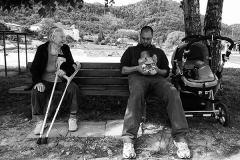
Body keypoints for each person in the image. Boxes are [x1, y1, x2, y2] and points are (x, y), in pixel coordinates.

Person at [120, 26, 191, 159]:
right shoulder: (131, 50)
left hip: (156, 79)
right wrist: (137, 68)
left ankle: (180, 137)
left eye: (148, 39)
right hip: (137, 78)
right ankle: (128, 139)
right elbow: (123, 69)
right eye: (143, 38)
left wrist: (157, 70)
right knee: (136, 94)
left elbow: (166, 72)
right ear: (139, 36)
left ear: (152, 38)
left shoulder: (158, 51)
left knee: (172, 92)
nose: (146, 41)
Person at [30, 27, 81, 135]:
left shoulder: (65, 49)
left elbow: (71, 66)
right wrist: (37, 82)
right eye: (62, 37)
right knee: (36, 91)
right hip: (46, 79)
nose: (64, 39)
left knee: (73, 89)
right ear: (53, 38)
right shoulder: (42, 49)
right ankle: (40, 121)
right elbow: (34, 68)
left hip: (61, 80)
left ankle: (72, 118)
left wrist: (64, 71)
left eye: (64, 36)